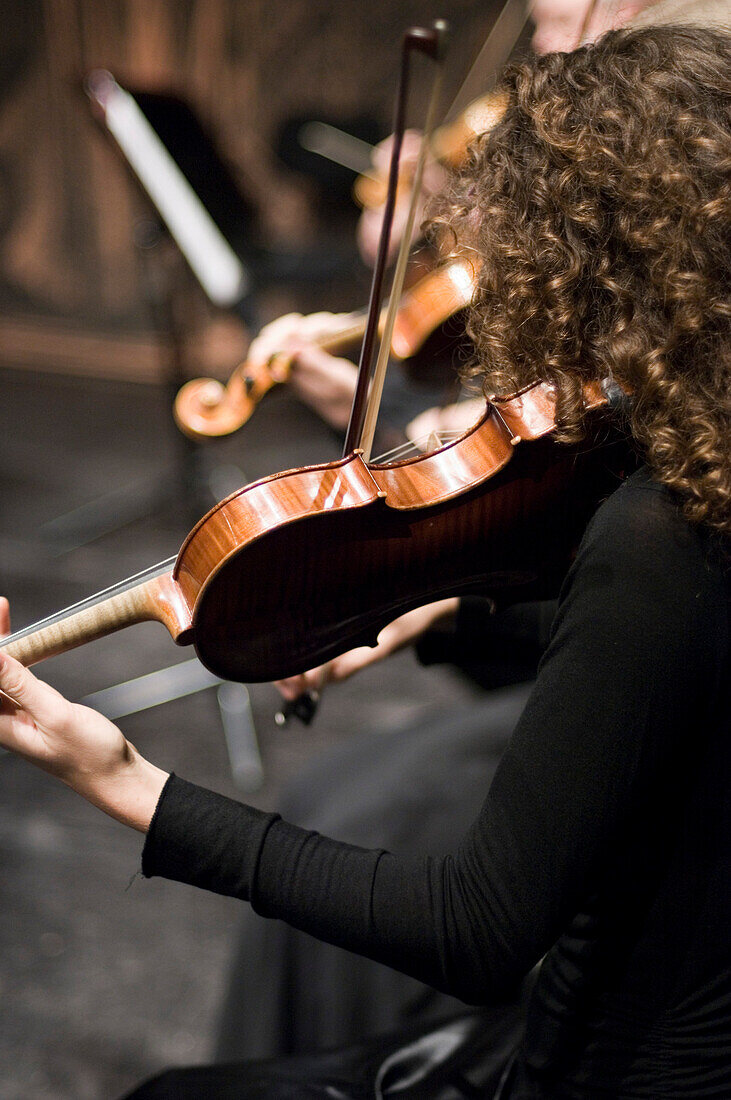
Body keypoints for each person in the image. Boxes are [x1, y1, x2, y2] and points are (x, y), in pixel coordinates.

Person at [0, 26, 728, 1098]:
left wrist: (127, 782)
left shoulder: (656, 533)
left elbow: (473, 925)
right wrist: (445, 610)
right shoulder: (700, 458)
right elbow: (660, 675)